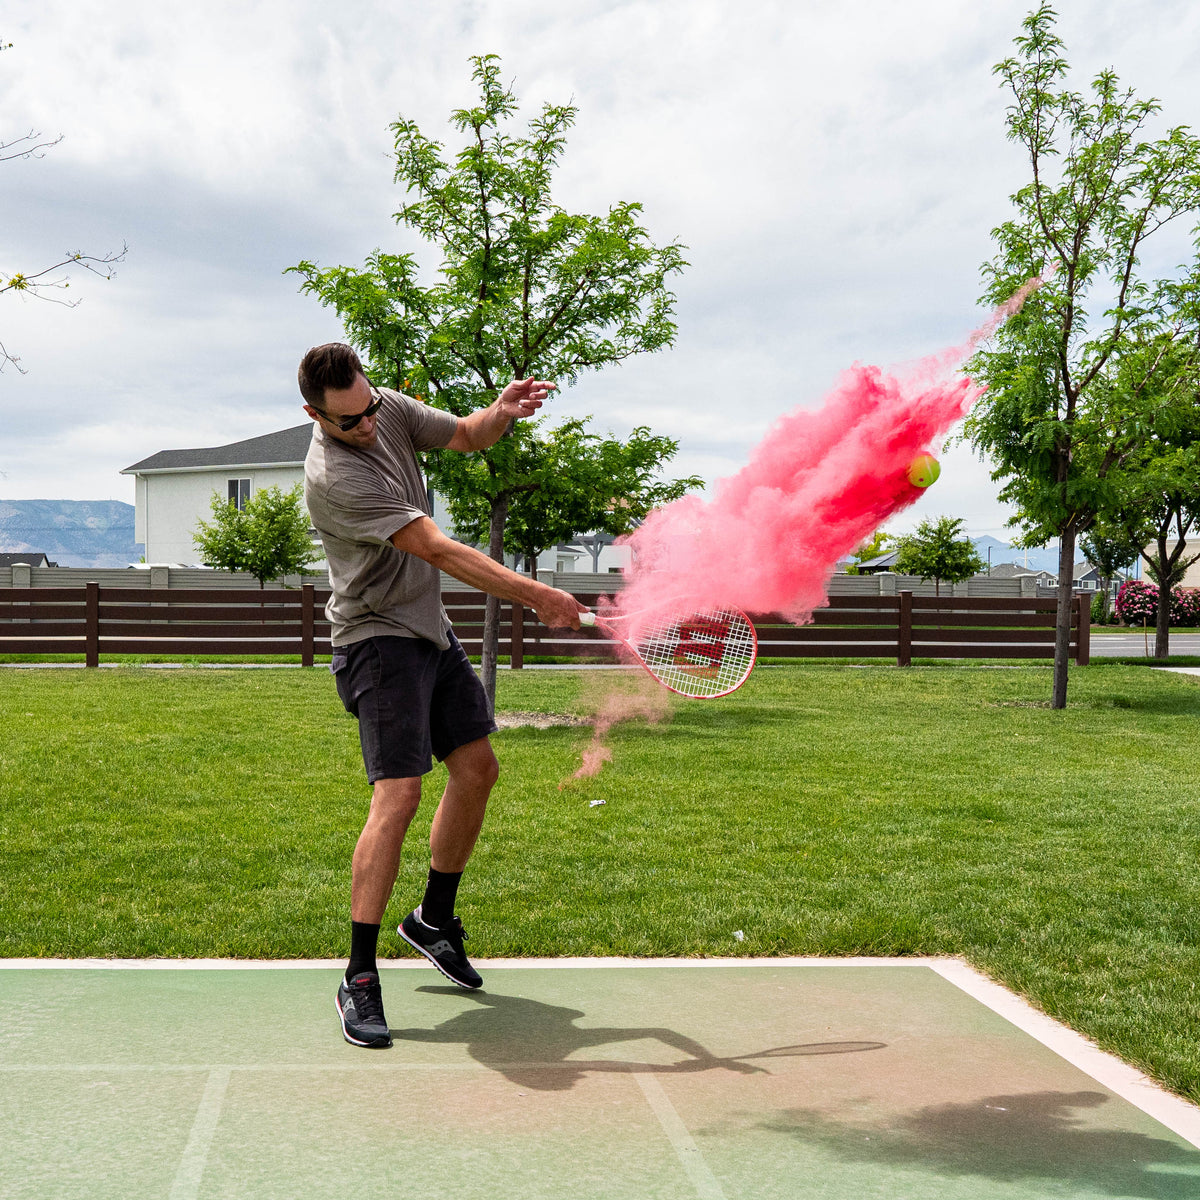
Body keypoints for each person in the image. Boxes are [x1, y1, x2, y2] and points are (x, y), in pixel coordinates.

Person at [298, 342, 585, 1049]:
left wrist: (501, 412)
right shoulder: (335, 476)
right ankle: (359, 976)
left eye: (368, 407)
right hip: (375, 639)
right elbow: (438, 549)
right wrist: (534, 594)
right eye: (348, 420)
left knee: (478, 769)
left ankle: (433, 919)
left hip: (429, 629)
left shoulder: (385, 408)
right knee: (397, 794)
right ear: (314, 415)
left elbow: (463, 435)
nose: (366, 425)